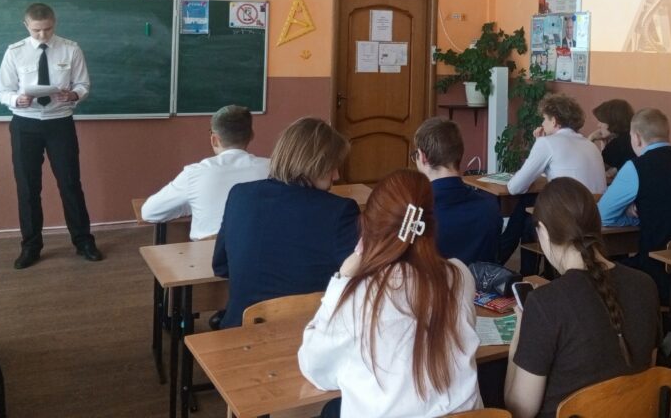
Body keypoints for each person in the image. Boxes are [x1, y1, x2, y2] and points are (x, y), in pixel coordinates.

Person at [299, 168, 482, 418]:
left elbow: (315, 369)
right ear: (431, 225)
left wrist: (342, 279)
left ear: (368, 227)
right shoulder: (460, 276)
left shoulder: (356, 294)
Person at [504, 177, 661, 418]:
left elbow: (520, 410)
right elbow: (648, 369)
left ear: (543, 231)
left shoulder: (544, 304)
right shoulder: (646, 285)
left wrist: (518, 340)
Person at [212, 117, 359, 327]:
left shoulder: (240, 195)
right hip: (305, 333)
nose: (336, 175)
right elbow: (356, 282)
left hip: (239, 330)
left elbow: (221, 267)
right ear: (315, 163)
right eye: (332, 166)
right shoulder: (339, 211)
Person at [0, 2, 101, 269]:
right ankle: (31, 246)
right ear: (26, 25)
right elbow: (3, 90)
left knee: (70, 184)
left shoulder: (71, 48)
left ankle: (83, 242)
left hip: (60, 123)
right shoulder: (15, 51)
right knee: (28, 188)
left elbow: (83, 84)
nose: (43, 35)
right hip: (25, 124)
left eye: (48, 29)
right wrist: (16, 100)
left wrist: (74, 94)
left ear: (54, 23)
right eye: (36, 30)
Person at [597, 108, 671, 299]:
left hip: (656, 272)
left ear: (636, 138)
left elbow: (602, 215)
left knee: (598, 273)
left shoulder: (636, 167)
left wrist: (633, 216)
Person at [501, 94, 606, 269]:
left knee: (527, 215)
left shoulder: (547, 143)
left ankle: (515, 268)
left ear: (555, 121)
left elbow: (514, 187)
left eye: (544, 119)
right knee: (528, 207)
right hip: (594, 215)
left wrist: (539, 143)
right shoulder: (589, 145)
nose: (542, 124)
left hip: (569, 217)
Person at [141, 105, 269, 240]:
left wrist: (192, 205)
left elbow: (149, 212)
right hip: (264, 250)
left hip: (208, 252)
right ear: (251, 136)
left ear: (214, 139)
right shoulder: (272, 168)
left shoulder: (195, 173)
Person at [413, 117, 501, 265]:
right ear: (459, 154)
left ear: (422, 157)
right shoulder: (489, 208)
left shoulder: (413, 212)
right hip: (477, 280)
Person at [587, 98, 635, 179]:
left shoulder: (617, 144)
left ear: (612, 121)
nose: (598, 125)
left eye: (601, 121)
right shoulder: (631, 137)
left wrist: (591, 139)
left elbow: (595, 169)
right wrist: (604, 143)